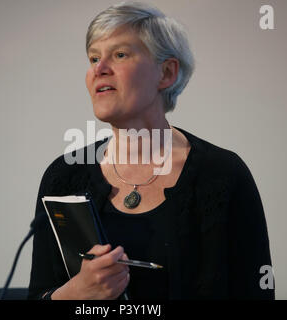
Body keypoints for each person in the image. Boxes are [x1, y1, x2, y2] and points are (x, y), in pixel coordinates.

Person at [28, 1, 274, 300]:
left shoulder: (222, 174)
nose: (99, 69)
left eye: (119, 54)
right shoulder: (65, 174)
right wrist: (77, 294)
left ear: (166, 73)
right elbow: (39, 294)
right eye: (93, 58)